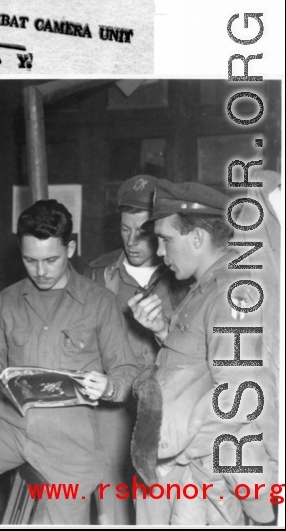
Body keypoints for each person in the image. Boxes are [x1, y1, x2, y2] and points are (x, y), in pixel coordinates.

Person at [0, 199, 139, 525]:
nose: (40, 271)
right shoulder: (8, 301)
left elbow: (127, 371)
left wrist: (110, 386)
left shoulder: (99, 302)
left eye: (51, 260)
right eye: (30, 260)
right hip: (12, 425)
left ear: (71, 247)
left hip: (69, 438)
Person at [128, 179, 277, 525]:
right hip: (172, 463)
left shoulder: (230, 293)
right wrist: (162, 331)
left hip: (197, 474)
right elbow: (199, 367)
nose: (160, 252)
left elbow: (239, 396)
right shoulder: (202, 288)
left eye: (165, 240)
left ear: (197, 238)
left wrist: (182, 453)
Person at [84, 174, 189, 525]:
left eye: (143, 231)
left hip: (166, 408)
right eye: (125, 229)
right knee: (110, 504)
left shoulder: (182, 273)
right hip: (111, 407)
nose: (132, 241)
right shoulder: (97, 273)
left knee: (159, 503)